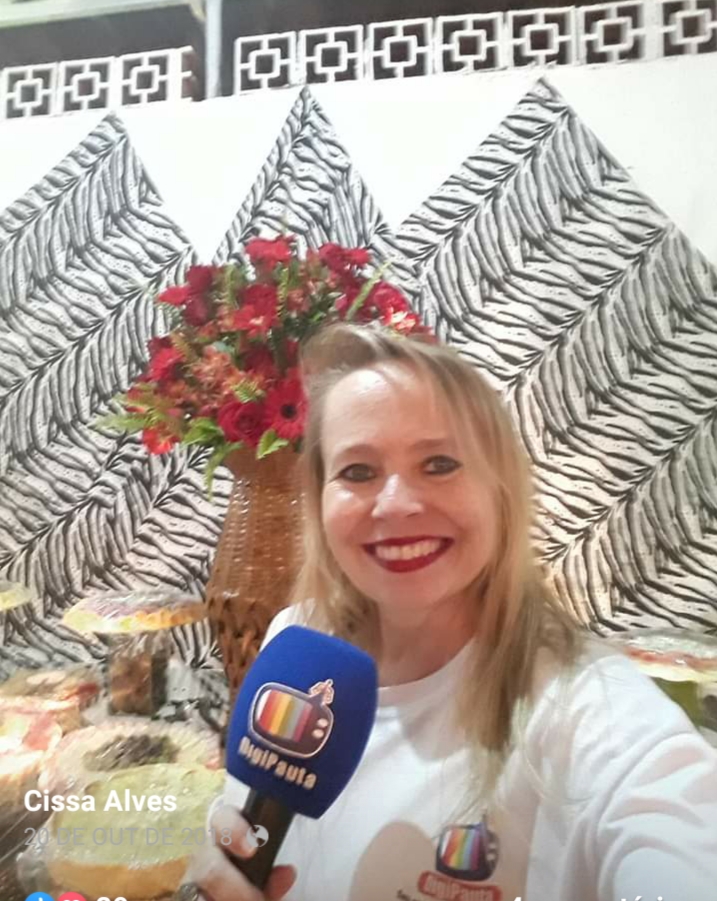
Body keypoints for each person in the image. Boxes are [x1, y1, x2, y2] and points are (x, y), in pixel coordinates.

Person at [181, 323, 717, 901]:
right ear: (320, 500)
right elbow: (240, 831)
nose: (396, 505)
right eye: (357, 471)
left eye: (439, 463)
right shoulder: (297, 638)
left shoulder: (591, 709)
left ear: (500, 490)